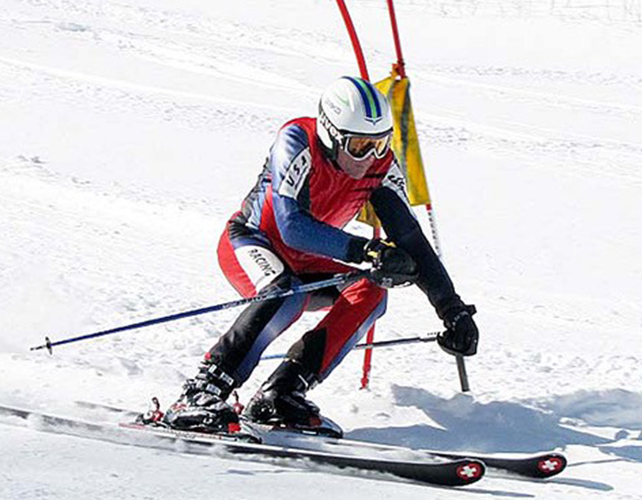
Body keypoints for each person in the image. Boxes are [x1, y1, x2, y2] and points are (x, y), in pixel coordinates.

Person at [164, 76, 479, 434]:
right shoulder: (296, 141)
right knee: (286, 291)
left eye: (380, 144)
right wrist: (365, 249)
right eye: (360, 146)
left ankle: (282, 392)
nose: (370, 157)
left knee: (370, 292)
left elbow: (410, 238)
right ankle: (202, 391)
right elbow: (291, 226)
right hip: (252, 242)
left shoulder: (380, 165)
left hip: (308, 260)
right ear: (330, 133)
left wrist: (451, 309)